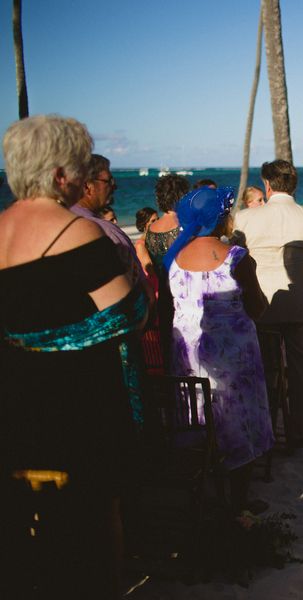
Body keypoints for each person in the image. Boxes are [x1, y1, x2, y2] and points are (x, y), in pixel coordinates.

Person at [0, 115, 148, 599]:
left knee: (21, 531)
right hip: (75, 406)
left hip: (13, 404)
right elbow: (129, 315)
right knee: (89, 531)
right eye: (81, 167)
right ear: (61, 175)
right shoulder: (79, 233)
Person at [164, 186, 274, 511]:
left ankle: (204, 496)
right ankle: (238, 503)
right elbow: (257, 307)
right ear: (220, 217)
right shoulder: (236, 258)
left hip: (188, 355)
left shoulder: (173, 258)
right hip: (232, 358)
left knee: (197, 419)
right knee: (239, 419)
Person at [233, 160, 303, 448]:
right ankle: (297, 431)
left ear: (267, 185)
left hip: (261, 306)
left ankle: (266, 429)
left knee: (265, 370)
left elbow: (235, 264)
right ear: (294, 185)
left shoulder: (244, 219)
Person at [146, 174, 191, 371]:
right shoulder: (186, 227)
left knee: (169, 356)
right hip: (184, 296)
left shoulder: (151, 230)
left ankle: (175, 397)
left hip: (164, 298)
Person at [133, 206, 158, 275]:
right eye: (153, 221)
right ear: (144, 224)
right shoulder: (140, 245)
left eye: (158, 219)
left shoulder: (157, 239)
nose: (157, 222)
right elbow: (150, 271)